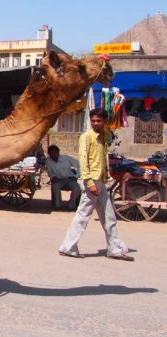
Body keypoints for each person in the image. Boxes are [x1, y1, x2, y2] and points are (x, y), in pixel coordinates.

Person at [59, 108, 133, 261]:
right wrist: (89, 182)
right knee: (83, 215)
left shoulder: (104, 137)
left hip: (101, 181)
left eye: (99, 121)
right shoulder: (86, 137)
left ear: (104, 121)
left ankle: (114, 248)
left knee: (109, 216)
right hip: (91, 181)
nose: (96, 123)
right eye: (93, 121)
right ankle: (68, 247)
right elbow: (83, 160)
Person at [46, 144, 81, 210]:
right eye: (52, 153)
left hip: (70, 179)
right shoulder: (48, 161)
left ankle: (71, 205)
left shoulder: (66, 158)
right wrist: (53, 177)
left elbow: (79, 165)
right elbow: (50, 172)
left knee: (77, 187)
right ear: (49, 154)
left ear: (58, 152)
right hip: (59, 180)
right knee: (55, 186)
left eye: (55, 153)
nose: (54, 155)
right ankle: (58, 205)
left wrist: (76, 176)